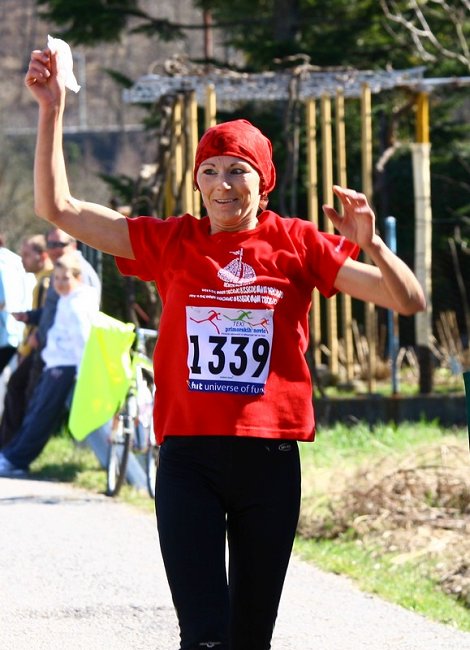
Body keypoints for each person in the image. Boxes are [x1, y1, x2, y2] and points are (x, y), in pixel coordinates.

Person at [23, 46, 426, 650]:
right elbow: (59, 208)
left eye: (237, 170)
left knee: (250, 638)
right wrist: (51, 108)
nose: (221, 184)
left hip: (269, 459)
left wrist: (373, 246)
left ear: (263, 183)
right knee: (205, 635)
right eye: (209, 171)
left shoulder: (297, 243)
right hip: (188, 458)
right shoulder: (172, 242)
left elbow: (408, 300)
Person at [0, 253, 99, 475]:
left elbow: (82, 341)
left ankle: (16, 461)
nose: (60, 283)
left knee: (41, 416)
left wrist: (81, 373)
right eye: (57, 278)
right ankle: (11, 455)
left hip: (64, 368)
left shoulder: (78, 303)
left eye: (65, 278)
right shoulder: (67, 299)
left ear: (78, 278)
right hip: (53, 364)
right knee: (35, 412)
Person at [0, 234, 53, 448]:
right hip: (23, 342)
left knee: (19, 390)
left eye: (27, 255)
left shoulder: (46, 281)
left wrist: (27, 347)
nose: (23, 259)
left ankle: (10, 446)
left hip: (34, 347)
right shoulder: (38, 278)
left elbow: (43, 318)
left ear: (42, 256)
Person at [0, 234, 32, 373]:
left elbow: (5, 300)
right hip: (19, 332)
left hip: (7, 334)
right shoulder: (14, 259)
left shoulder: (3, 263)